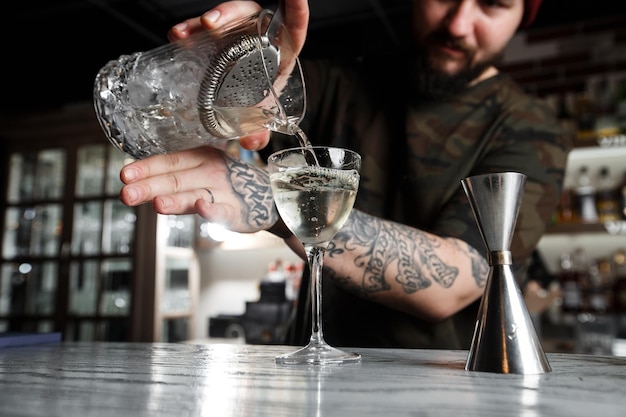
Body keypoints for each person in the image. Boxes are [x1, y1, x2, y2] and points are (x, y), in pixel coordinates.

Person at [118, 0, 573, 349]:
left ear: (522, 15)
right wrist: (225, 61)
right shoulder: (343, 82)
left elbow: (454, 281)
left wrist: (278, 200)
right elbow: (236, 106)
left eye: (494, 4)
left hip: (444, 387)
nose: (458, 23)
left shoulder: (531, 130)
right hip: (311, 382)